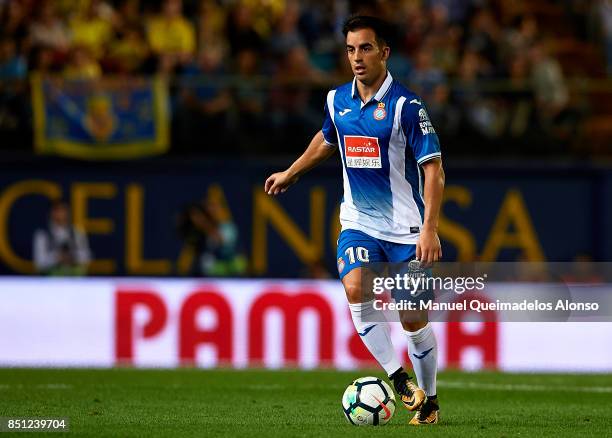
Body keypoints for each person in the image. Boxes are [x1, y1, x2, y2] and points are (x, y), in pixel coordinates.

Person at [265, 16, 444, 425]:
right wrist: (291, 172)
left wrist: (430, 228)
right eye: (350, 49)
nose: (356, 58)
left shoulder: (406, 106)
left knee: (412, 318)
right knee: (354, 285)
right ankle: (398, 379)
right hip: (359, 222)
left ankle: (429, 400)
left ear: (384, 53)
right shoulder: (336, 100)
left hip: (406, 229)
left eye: (365, 48)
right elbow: (328, 140)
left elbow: (433, 168)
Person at [33, 199, 91, 276]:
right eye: (58, 211)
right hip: (50, 282)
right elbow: (39, 263)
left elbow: (86, 257)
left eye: (64, 210)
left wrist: (72, 256)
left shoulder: (77, 233)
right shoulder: (42, 235)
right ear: (52, 213)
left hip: (74, 280)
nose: (62, 214)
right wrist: (57, 257)